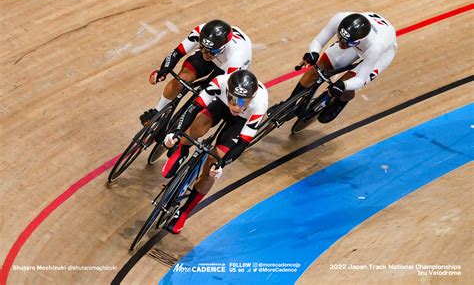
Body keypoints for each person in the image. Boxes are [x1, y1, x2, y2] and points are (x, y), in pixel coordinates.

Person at [161, 69, 268, 234]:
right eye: (233, 98)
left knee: (213, 163)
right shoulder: (220, 82)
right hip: (220, 105)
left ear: (251, 98)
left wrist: (222, 164)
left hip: (240, 123)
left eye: (242, 102)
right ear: (227, 91)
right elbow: (193, 108)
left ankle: (183, 212)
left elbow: (242, 143)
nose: (236, 105)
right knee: (200, 122)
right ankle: (182, 149)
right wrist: (177, 132)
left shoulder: (259, 104)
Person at [140, 20, 252, 125]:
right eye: (203, 48)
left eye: (212, 52)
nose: (207, 54)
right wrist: (163, 71)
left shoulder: (236, 57)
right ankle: (158, 110)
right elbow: (177, 52)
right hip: (219, 55)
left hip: (226, 66)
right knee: (182, 77)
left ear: (223, 47)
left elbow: (226, 88)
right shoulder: (200, 31)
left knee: (209, 98)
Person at [290, 12, 397, 123]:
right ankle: (290, 102)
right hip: (357, 42)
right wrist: (313, 53)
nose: (341, 43)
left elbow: (360, 79)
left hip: (382, 54)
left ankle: (340, 103)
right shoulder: (340, 19)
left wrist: (343, 85)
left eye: (346, 42)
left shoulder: (376, 47)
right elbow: (318, 41)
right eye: (340, 38)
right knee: (319, 67)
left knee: (348, 83)